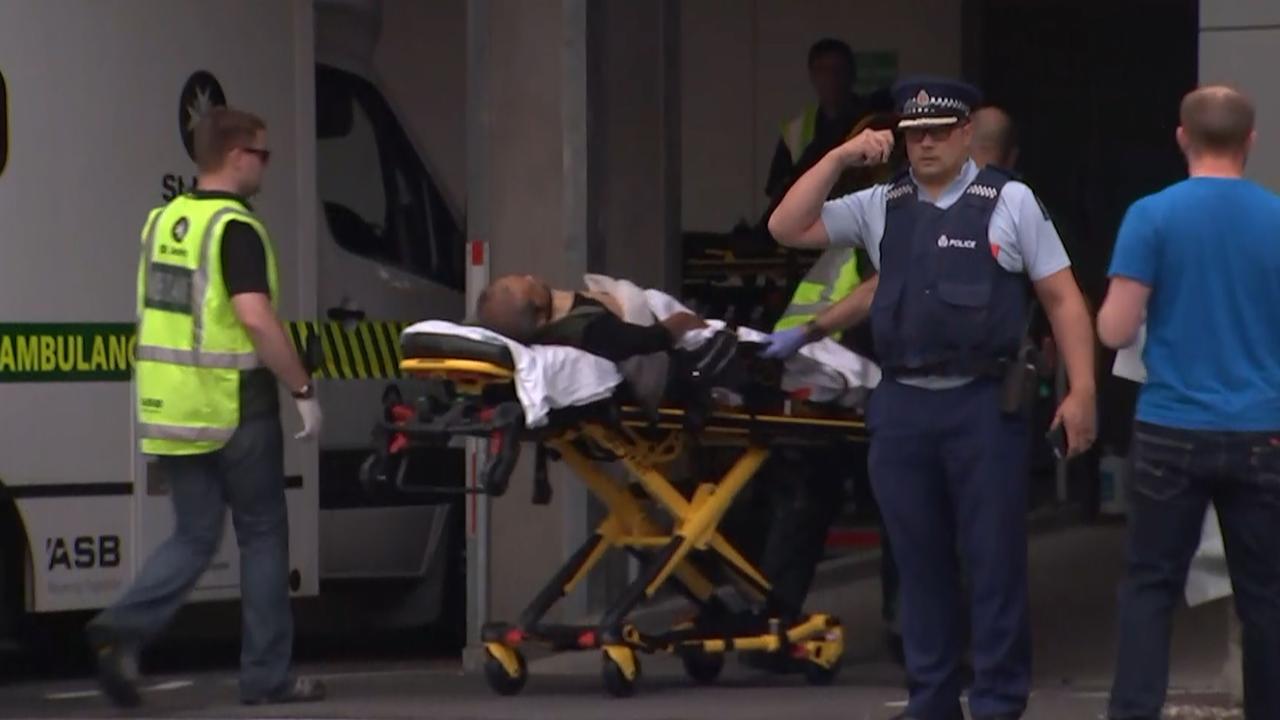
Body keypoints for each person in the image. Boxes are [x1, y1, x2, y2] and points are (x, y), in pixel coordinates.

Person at [763, 77, 1097, 720]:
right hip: (903, 406)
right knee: (918, 564)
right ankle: (933, 699)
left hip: (982, 405)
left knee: (994, 561)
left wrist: (1081, 391)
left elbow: (1061, 297)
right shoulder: (882, 203)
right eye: (915, 135)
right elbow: (786, 225)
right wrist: (837, 157)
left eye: (939, 132)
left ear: (967, 132)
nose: (926, 145)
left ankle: (999, 701)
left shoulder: (1010, 200)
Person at [86, 107, 326, 708]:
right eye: (263, 154)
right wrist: (302, 390)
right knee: (263, 536)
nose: (266, 166)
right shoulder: (234, 227)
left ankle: (121, 627)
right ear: (237, 155)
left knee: (193, 537)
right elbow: (253, 317)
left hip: (173, 408)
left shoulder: (163, 221)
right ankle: (266, 676)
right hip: (236, 408)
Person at [1097, 85, 1280, 720]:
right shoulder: (1276, 218)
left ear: (1182, 137)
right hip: (1263, 432)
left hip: (1171, 429)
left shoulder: (1151, 216)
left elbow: (1116, 331)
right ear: (1250, 141)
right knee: (1266, 596)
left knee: (1150, 589)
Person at [473, 273, 706, 361]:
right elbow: (650, 340)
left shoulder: (565, 315)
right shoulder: (590, 332)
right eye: (527, 283)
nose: (530, 277)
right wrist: (685, 321)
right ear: (540, 317)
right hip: (674, 329)